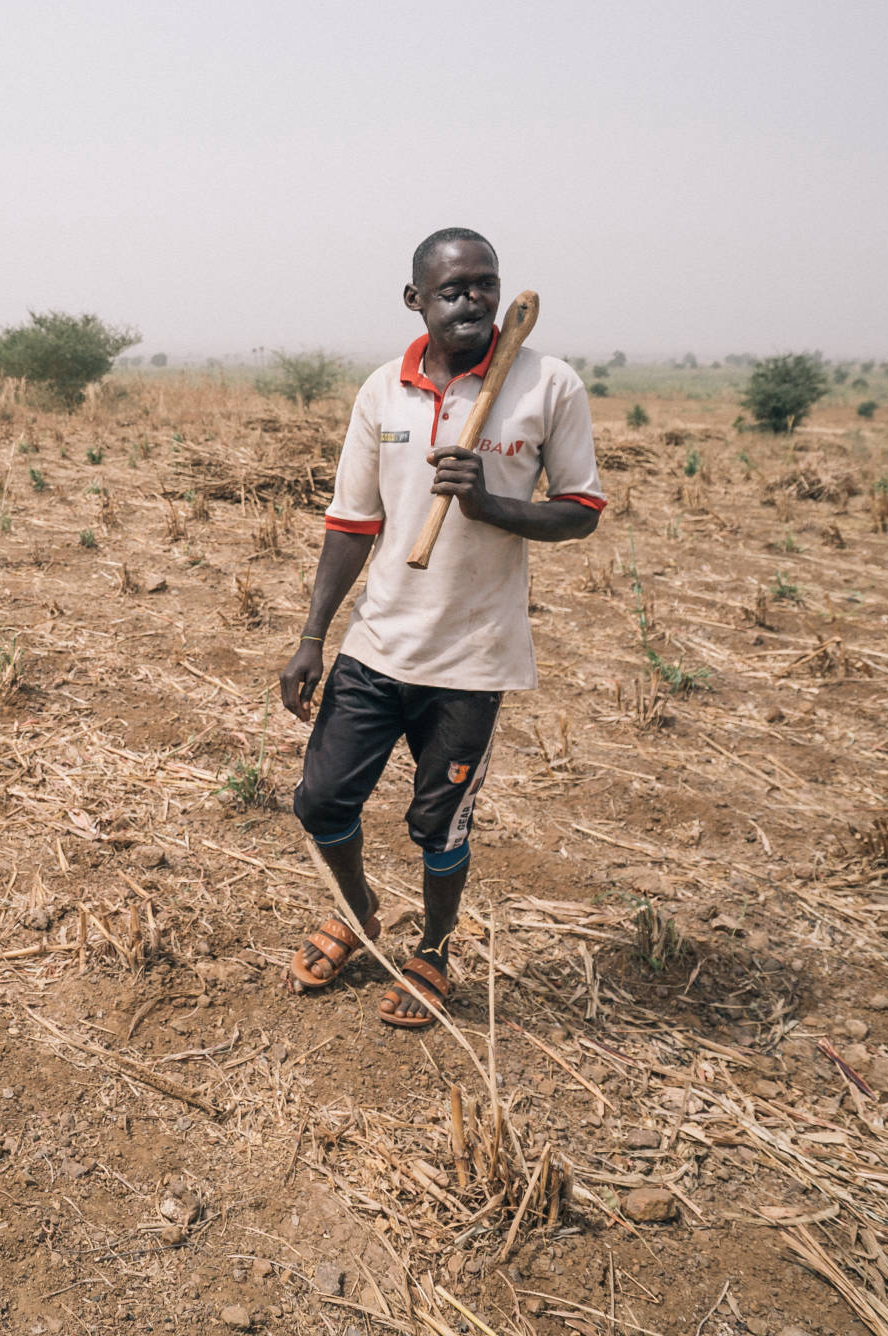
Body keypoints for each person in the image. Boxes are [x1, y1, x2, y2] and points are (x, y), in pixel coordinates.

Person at [277, 228, 604, 1028]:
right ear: (415, 300)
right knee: (320, 803)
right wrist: (314, 635)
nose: (474, 299)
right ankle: (360, 915)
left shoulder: (545, 384)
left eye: (486, 284)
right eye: (452, 288)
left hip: (473, 660)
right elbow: (353, 523)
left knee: (438, 823)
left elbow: (581, 513)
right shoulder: (383, 391)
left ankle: (435, 946)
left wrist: (492, 504)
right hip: (377, 643)